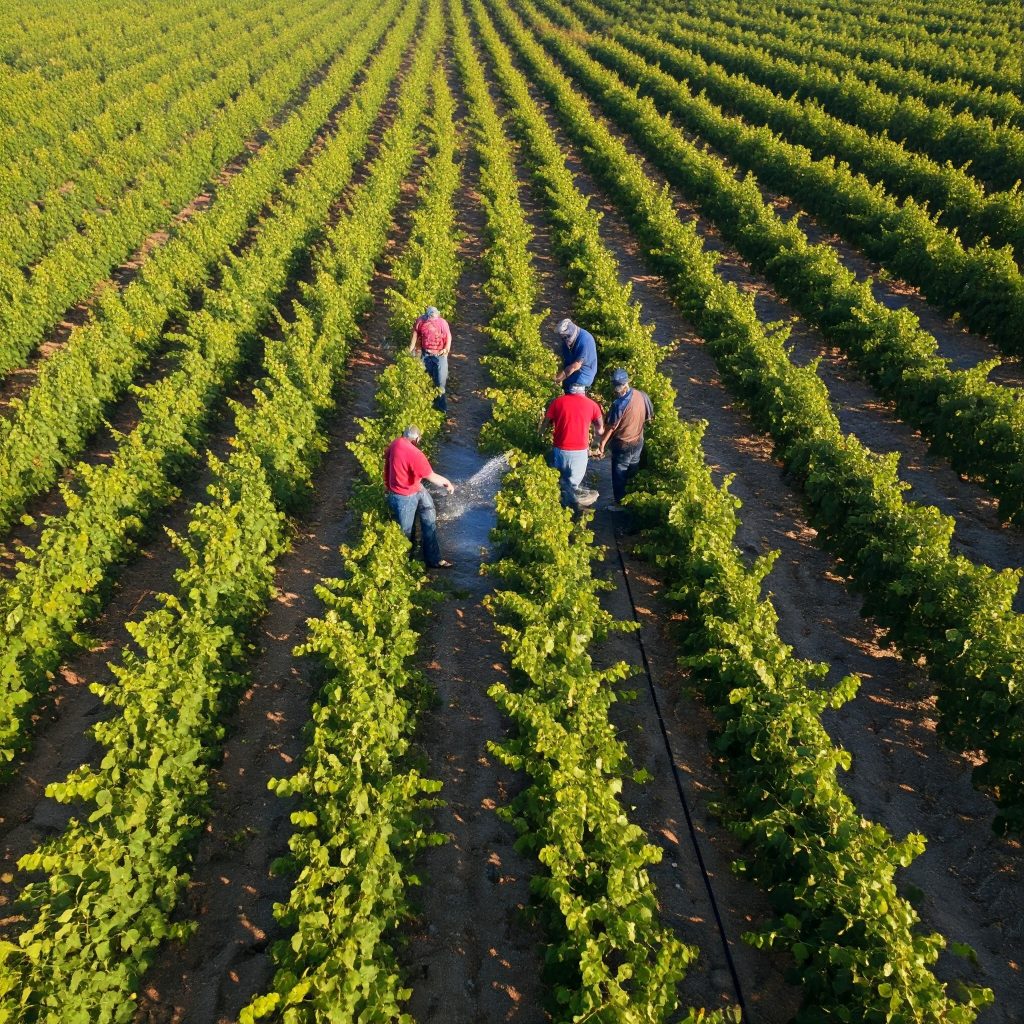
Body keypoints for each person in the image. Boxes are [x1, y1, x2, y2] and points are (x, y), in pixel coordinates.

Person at [384, 425, 455, 568]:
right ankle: (404, 566)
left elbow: (389, 461)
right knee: (406, 533)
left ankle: (433, 559)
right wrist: (447, 483)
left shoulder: (395, 443)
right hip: (404, 496)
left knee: (429, 516)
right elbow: (432, 477)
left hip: (413, 488)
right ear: (416, 439)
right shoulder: (415, 454)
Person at [597, 368, 654, 509]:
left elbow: (611, 427)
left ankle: (619, 503)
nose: (617, 390)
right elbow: (649, 417)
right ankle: (632, 500)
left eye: (618, 387)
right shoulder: (642, 395)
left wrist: (602, 444)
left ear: (624, 384)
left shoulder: (619, 405)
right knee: (633, 471)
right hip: (638, 441)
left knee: (619, 474)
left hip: (623, 444)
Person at [540, 383, 604, 509]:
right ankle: (572, 511)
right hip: (580, 450)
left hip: (560, 448)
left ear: (568, 390)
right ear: (583, 391)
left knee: (561, 480)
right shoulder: (592, 405)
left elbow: (545, 422)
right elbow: (600, 427)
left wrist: (540, 436)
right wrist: (596, 443)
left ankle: (558, 507)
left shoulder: (557, 402)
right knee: (573, 484)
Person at [409, 306, 452, 413]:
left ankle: (441, 409)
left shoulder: (442, 323)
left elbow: (449, 337)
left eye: (434, 316)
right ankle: (425, 406)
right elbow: (415, 334)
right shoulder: (421, 321)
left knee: (440, 382)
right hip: (426, 354)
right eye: (431, 316)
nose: (433, 318)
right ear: (427, 315)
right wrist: (410, 350)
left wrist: (446, 349)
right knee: (424, 380)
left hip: (440, 355)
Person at [553, 318, 598, 392]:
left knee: (571, 396)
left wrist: (558, 380)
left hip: (582, 377)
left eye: (565, 336)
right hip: (571, 375)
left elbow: (575, 366)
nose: (564, 339)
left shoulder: (585, 340)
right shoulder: (566, 342)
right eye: (562, 337)